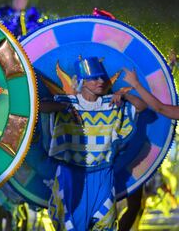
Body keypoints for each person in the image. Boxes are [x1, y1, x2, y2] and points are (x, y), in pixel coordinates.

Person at [41, 57, 147, 230]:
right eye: (94, 78)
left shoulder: (111, 104)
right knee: (69, 223)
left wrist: (124, 94)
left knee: (104, 222)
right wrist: (62, 107)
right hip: (70, 173)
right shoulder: (66, 103)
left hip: (102, 172)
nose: (100, 81)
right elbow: (40, 107)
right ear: (82, 80)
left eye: (102, 78)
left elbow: (141, 106)